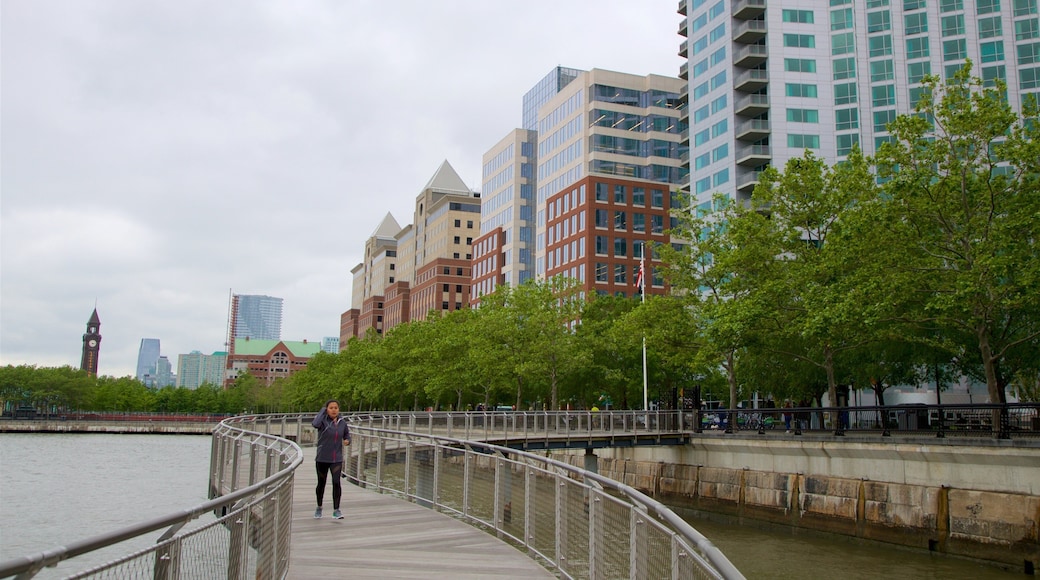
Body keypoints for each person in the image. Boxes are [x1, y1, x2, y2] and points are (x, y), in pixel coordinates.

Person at [312, 399, 350, 519]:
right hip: (323, 457)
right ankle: (319, 507)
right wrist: (322, 411)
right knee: (321, 483)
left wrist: (347, 441)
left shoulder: (342, 422)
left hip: (336, 458)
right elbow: (315, 424)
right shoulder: (322, 421)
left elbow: (347, 435)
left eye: (336, 408)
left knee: (336, 482)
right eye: (331, 408)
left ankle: (336, 510)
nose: (334, 410)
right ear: (327, 409)